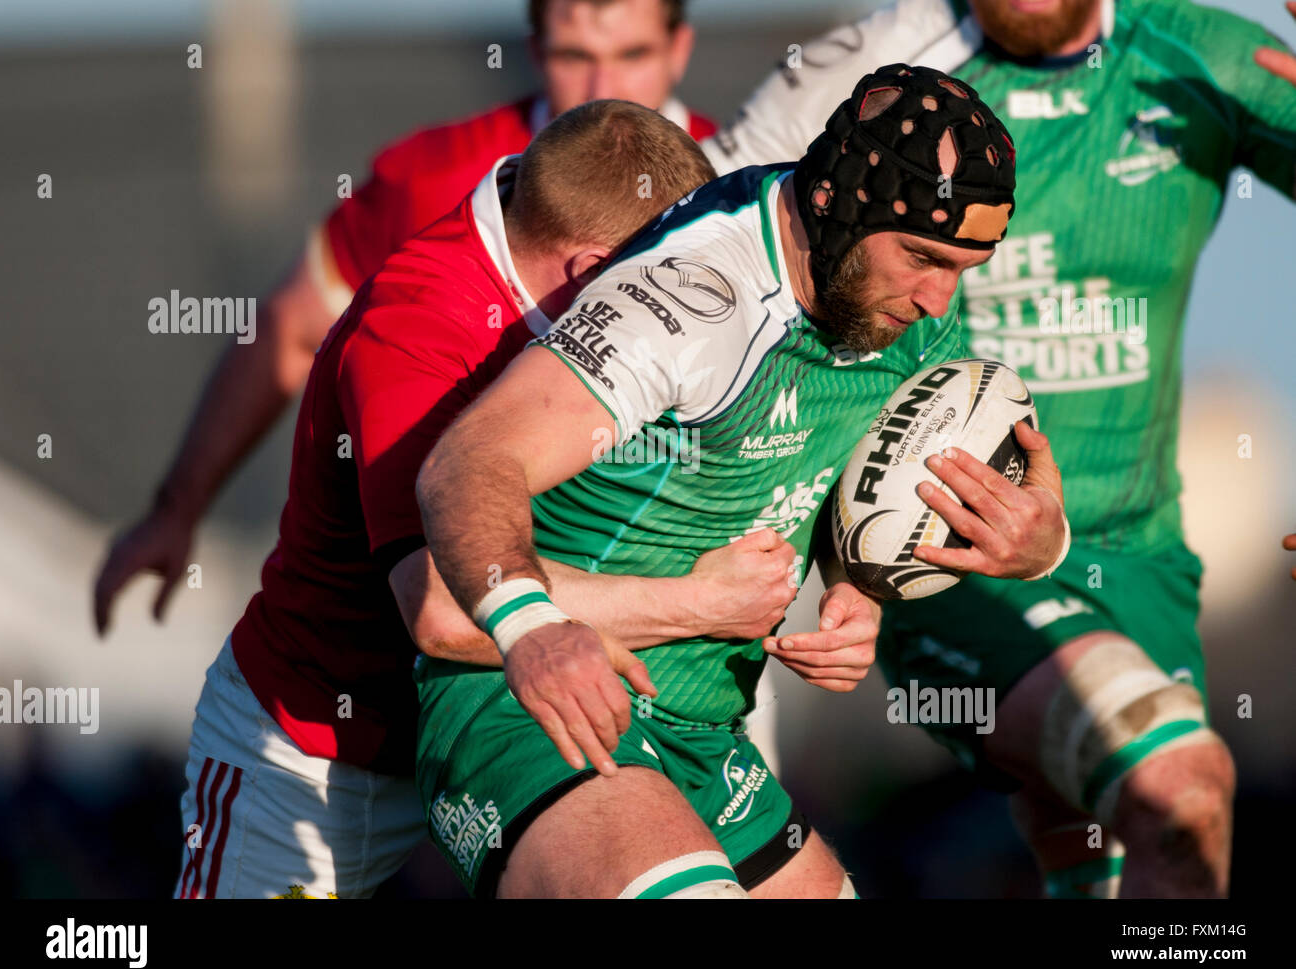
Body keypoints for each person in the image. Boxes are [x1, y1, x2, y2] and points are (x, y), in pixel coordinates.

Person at [414, 64, 1070, 899]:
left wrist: (889, 580)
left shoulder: (888, 295)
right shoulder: (694, 300)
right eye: (922, 258)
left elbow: (865, 466)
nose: (940, 300)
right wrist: (532, 628)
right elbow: (471, 461)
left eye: (964, 267)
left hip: (701, 731)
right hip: (532, 702)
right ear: (836, 204)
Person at [703, 0, 1296, 898]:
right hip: (943, 555)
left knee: (1119, 861)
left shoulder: (1203, 55)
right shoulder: (875, 71)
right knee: (1182, 789)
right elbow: (701, 240)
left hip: (1141, 557)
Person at [175, 101, 773, 899]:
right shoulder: (416, 333)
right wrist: (699, 603)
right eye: (667, 274)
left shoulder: (575, 287)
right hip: (331, 750)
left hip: (517, 729)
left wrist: (853, 585)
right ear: (593, 269)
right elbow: (442, 608)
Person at [93, 0, 714, 636]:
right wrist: (177, 508)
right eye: (573, 55)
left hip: (680, 634)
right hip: (425, 637)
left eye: (631, 55)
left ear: (680, 48)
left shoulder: (739, 191)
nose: (601, 87)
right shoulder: (432, 180)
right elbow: (288, 331)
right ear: (534, 52)